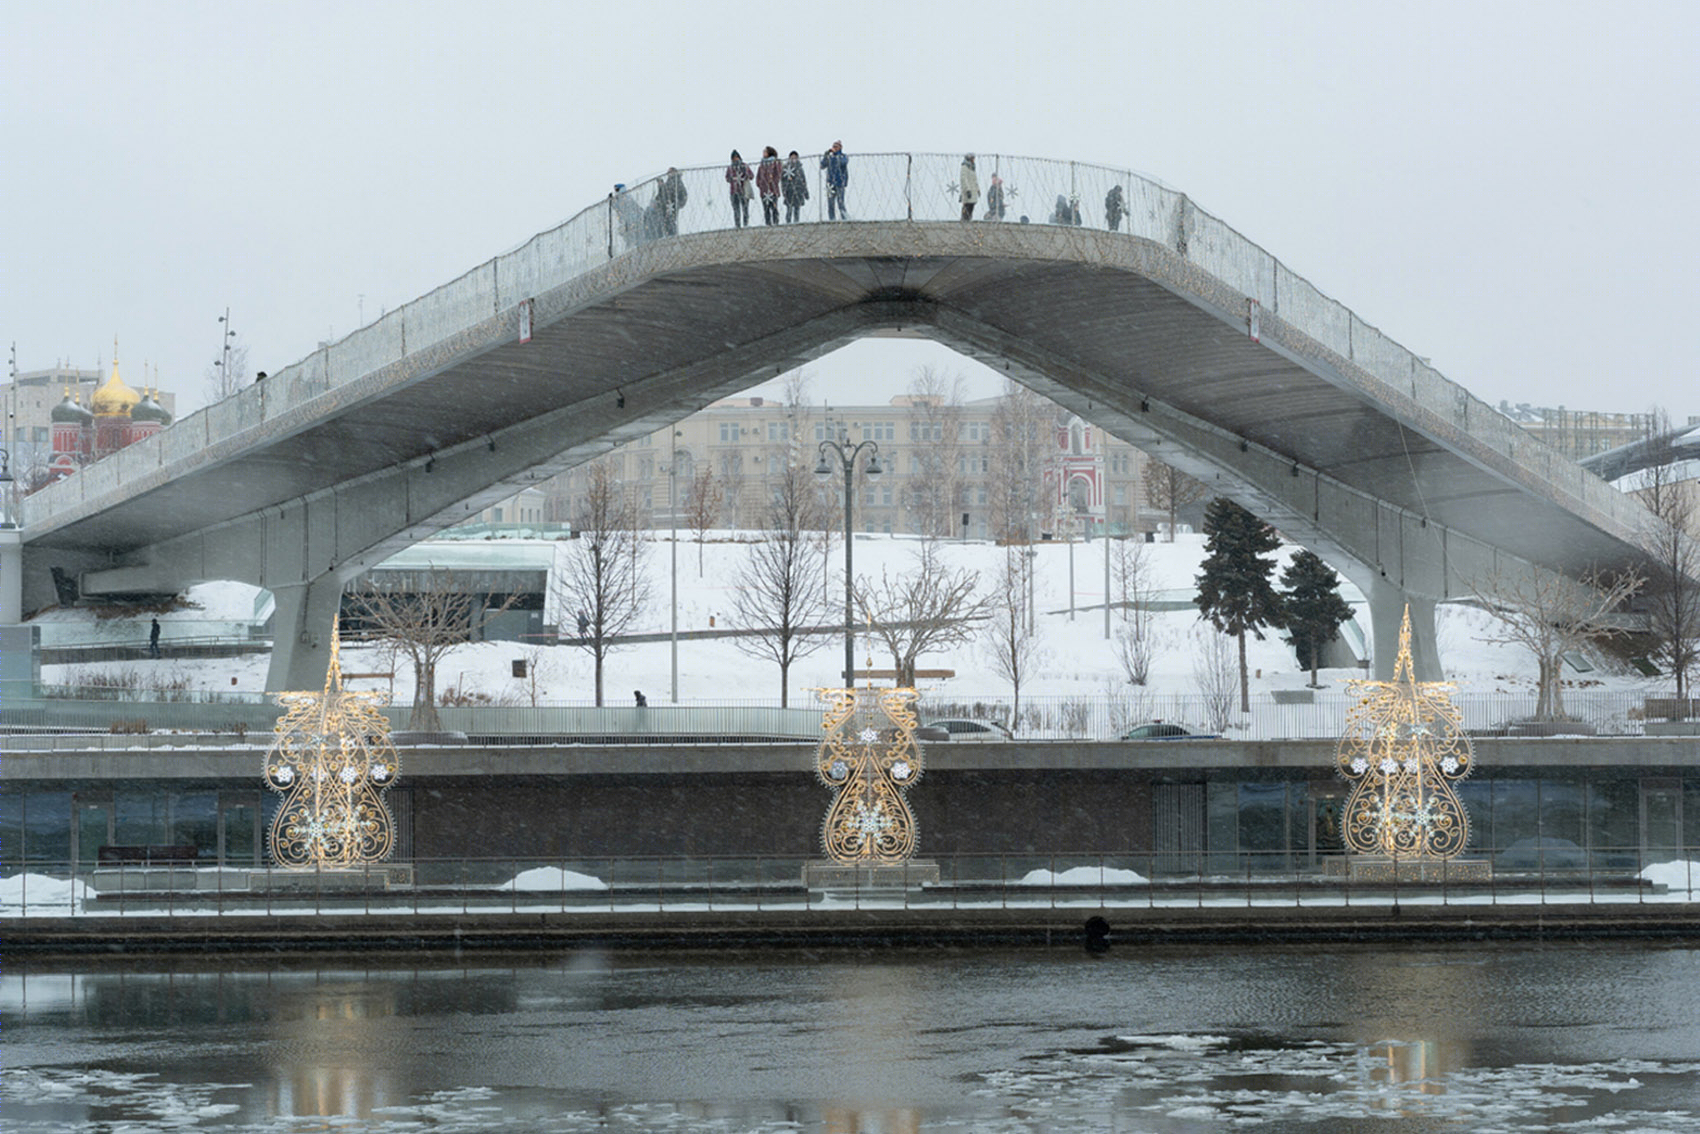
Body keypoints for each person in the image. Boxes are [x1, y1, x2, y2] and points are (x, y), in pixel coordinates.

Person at [820, 141, 849, 220]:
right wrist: (826, 156)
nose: (834, 148)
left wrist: (836, 156)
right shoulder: (829, 157)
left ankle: (845, 218)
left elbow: (843, 163)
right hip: (830, 184)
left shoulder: (843, 156)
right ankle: (832, 219)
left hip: (840, 182)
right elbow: (822, 166)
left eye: (836, 146)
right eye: (833, 146)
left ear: (840, 148)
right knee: (830, 203)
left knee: (840, 203)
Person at [725, 151, 754, 228]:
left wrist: (745, 176)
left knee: (745, 208)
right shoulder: (730, 168)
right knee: (736, 209)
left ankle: (745, 224)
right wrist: (732, 179)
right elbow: (727, 178)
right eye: (733, 158)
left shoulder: (744, 166)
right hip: (734, 191)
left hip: (744, 190)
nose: (735, 159)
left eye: (736, 157)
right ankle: (737, 224)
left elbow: (751, 176)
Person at [656, 167, 688, 236]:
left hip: (672, 204)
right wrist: (660, 186)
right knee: (665, 220)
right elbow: (663, 193)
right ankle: (668, 234)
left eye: (670, 172)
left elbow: (682, 194)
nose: (669, 174)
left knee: (670, 220)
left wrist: (678, 203)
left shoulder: (677, 181)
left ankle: (671, 234)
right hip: (667, 204)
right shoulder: (669, 182)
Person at [756, 146, 782, 226]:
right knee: (766, 208)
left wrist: (773, 182)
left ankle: (776, 222)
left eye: (765, 151)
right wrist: (759, 184)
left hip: (772, 189)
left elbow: (778, 174)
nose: (763, 153)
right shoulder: (762, 164)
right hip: (763, 190)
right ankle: (768, 223)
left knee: (774, 207)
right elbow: (758, 175)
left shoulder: (775, 163)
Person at [781, 150, 810, 222]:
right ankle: (788, 222)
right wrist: (784, 190)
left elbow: (803, 180)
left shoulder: (800, 169)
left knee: (797, 209)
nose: (793, 159)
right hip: (789, 191)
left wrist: (806, 192)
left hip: (798, 190)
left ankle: (796, 222)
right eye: (792, 157)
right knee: (789, 209)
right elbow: (782, 180)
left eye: (795, 157)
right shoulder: (786, 168)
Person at [958, 154, 980, 222]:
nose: (973, 160)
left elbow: (975, 180)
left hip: (973, 190)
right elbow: (963, 179)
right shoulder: (964, 167)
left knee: (971, 205)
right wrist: (967, 190)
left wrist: (978, 189)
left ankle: (969, 219)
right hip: (968, 190)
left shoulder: (972, 167)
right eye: (972, 158)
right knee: (966, 205)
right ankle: (964, 219)